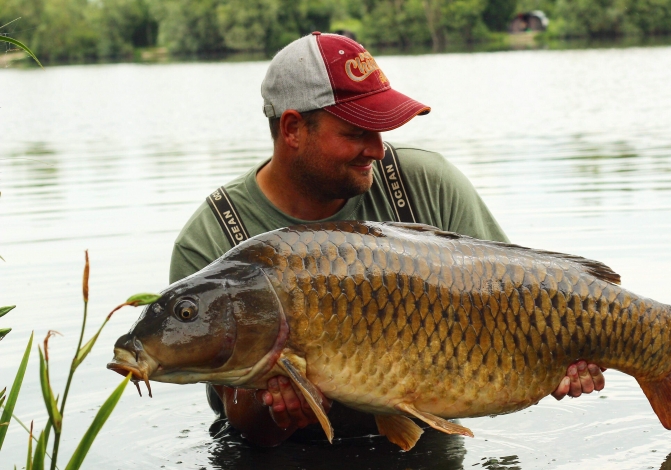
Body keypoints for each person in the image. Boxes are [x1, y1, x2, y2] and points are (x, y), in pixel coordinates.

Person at [169, 32, 605, 446]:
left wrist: (567, 352)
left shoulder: (428, 184)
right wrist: (272, 412)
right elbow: (236, 417)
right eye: (357, 132)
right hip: (282, 463)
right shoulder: (212, 238)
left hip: (427, 446)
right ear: (293, 129)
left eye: (380, 129)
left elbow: (520, 299)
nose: (377, 150)